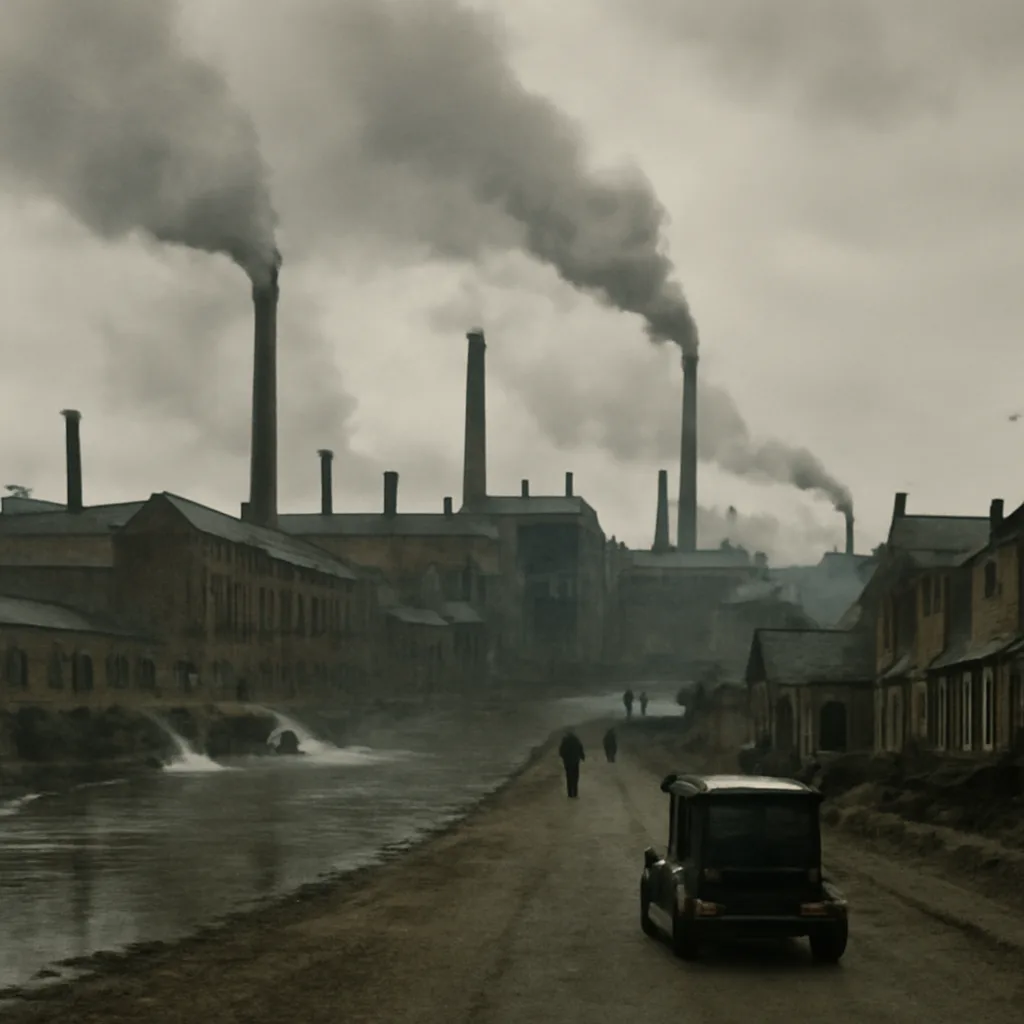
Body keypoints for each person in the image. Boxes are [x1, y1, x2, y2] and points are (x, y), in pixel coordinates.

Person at [558, 730, 585, 798]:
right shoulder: (576, 740)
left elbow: (561, 751)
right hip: (575, 761)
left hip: (567, 762)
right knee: (575, 777)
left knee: (569, 777)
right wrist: (582, 756)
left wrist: (564, 757)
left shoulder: (565, 741)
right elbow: (580, 748)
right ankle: (575, 793)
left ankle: (570, 794)